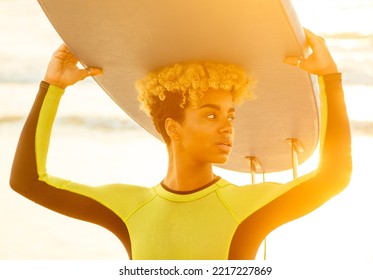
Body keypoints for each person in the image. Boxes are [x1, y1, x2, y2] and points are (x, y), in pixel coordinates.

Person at [10, 29, 352, 260]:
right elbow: (28, 181)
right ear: (173, 127)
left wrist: (330, 78)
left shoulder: (245, 205)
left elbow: (334, 175)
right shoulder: (129, 207)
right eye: (209, 115)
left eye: (230, 116)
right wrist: (52, 87)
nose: (227, 128)